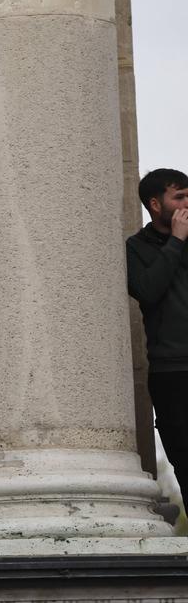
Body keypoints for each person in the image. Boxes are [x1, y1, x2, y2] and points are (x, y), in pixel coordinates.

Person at [127, 168, 188, 504]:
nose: (187, 203)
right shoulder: (135, 248)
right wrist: (176, 241)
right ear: (155, 204)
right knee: (184, 459)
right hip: (172, 372)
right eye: (178, 197)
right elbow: (148, 292)